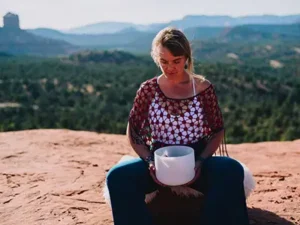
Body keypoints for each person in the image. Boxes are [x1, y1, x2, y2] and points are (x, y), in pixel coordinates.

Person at [106, 27, 249, 225]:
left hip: (197, 161)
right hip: (158, 163)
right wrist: (149, 162)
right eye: (164, 61)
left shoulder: (203, 88)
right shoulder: (147, 90)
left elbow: (217, 130)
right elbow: (134, 131)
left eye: (176, 61)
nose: (170, 67)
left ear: (187, 58)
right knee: (117, 177)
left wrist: (200, 161)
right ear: (157, 59)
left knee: (232, 170)